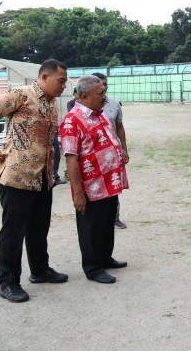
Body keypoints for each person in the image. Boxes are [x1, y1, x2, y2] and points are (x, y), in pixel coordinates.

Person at [0, 59, 69, 303]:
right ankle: (8, 282)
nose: (64, 86)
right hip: (17, 177)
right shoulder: (21, 95)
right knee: (13, 232)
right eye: (61, 81)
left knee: (39, 228)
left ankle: (40, 270)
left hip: (43, 179)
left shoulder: (52, 103)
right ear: (45, 77)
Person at [60, 75, 129, 284]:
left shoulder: (99, 114)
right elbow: (71, 159)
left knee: (107, 222)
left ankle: (105, 258)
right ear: (83, 96)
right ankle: (93, 267)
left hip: (108, 182)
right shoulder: (72, 121)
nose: (104, 97)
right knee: (91, 227)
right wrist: (78, 192)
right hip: (91, 187)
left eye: (104, 92)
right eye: (100, 94)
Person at [92, 72, 129, 229]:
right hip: (92, 156)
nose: (104, 86)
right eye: (100, 83)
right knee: (94, 188)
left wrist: (124, 149)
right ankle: (96, 219)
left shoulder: (114, 105)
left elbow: (119, 128)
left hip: (111, 155)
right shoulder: (86, 106)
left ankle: (115, 217)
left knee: (113, 186)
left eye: (105, 83)